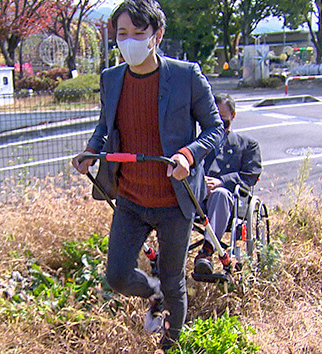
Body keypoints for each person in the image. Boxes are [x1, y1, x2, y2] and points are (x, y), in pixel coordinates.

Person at [71, 0, 224, 351]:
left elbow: (215, 128)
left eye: (138, 34)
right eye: (122, 34)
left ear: (156, 35)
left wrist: (187, 154)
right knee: (117, 275)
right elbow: (105, 126)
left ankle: (171, 346)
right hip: (131, 197)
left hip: (174, 199)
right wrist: (91, 151)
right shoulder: (111, 78)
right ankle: (152, 293)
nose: (129, 42)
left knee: (173, 280)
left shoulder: (186, 76)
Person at [193, 93, 263, 275]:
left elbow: (251, 175)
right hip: (199, 198)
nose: (219, 123)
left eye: (223, 119)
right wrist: (201, 183)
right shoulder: (199, 143)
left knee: (220, 194)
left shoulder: (247, 145)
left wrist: (221, 182)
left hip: (229, 201)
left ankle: (207, 252)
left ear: (233, 116)